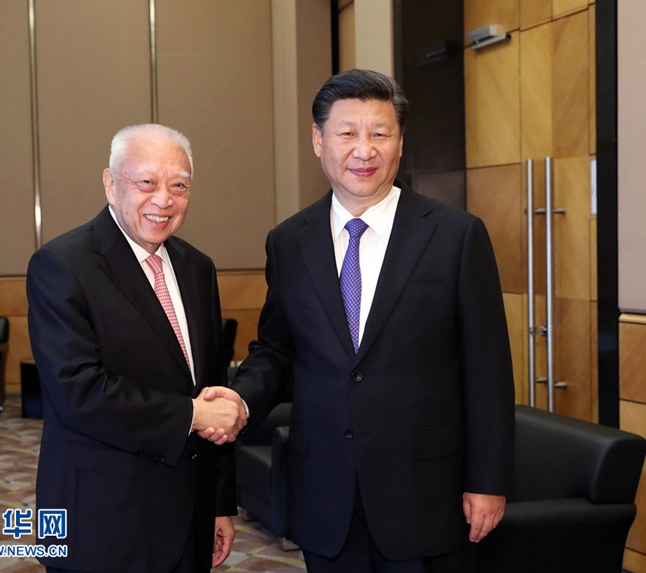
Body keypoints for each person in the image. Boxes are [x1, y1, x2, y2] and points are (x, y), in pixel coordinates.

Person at [224, 69, 516, 572]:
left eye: (380, 133)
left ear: (400, 142)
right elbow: (277, 350)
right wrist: (240, 400)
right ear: (318, 140)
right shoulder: (289, 241)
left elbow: (487, 368)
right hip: (325, 494)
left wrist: (488, 480)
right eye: (347, 133)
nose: (365, 150)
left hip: (427, 495)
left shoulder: (455, 236)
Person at [26, 123, 246, 573]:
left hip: (189, 517)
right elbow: (77, 392)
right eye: (146, 182)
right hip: (105, 521)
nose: (163, 199)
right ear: (111, 183)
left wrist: (219, 502)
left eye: (179, 185)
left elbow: (210, 386)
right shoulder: (62, 264)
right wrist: (191, 415)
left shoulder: (197, 267)